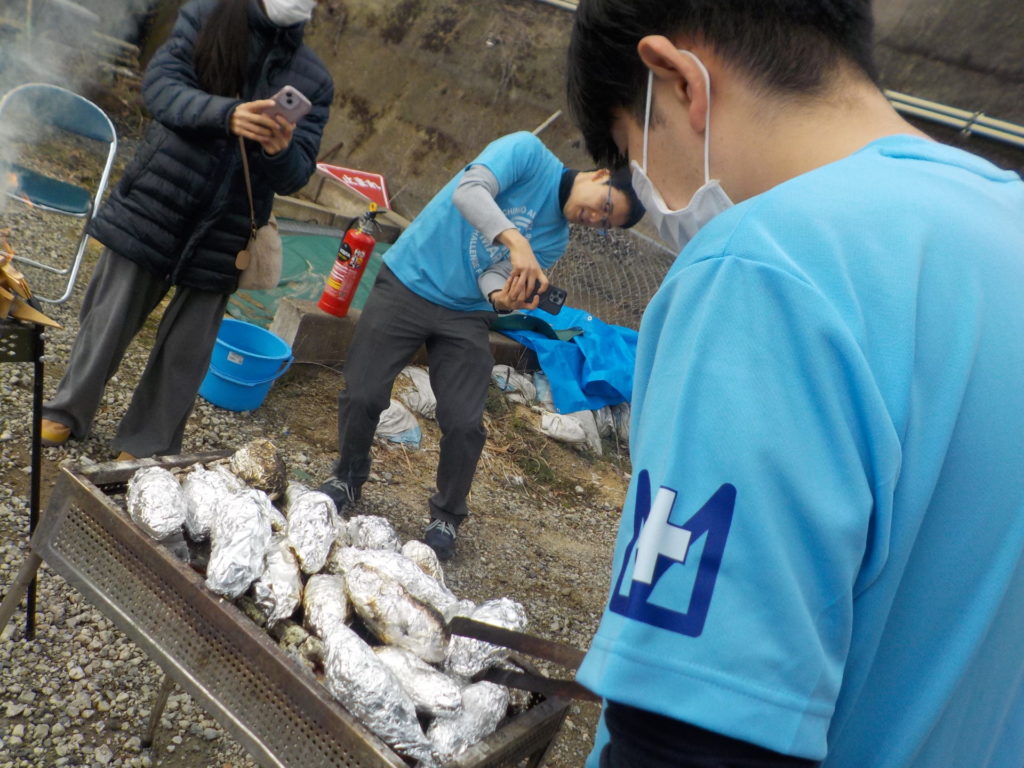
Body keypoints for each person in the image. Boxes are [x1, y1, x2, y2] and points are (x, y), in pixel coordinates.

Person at [565, 2, 1024, 767]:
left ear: (679, 83)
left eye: (631, 150)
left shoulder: (765, 269)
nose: (650, 200)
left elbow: (696, 741)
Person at [317, 130, 644, 560]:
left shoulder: (556, 239)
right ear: (601, 175)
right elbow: (469, 192)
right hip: (408, 281)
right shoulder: (527, 153)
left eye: (605, 225)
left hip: (466, 312)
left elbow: (493, 276)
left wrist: (502, 297)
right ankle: (348, 476)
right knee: (363, 392)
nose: (595, 219)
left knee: (465, 421)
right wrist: (516, 240)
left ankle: (447, 516)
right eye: (604, 207)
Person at [39, 0, 332, 459]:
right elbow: (159, 89)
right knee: (109, 318)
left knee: (186, 351)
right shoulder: (208, 15)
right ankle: (67, 410)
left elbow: (297, 173)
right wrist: (227, 114)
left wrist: (280, 150)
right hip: (159, 197)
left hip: (229, 226)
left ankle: (145, 444)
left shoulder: (313, 77)